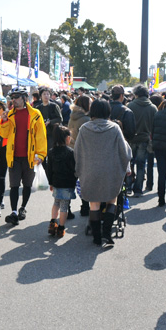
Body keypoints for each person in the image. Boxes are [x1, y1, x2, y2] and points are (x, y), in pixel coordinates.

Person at [74, 99, 132, 249]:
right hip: (110, 172)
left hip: (90, 172)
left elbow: (77, 152)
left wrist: (80, 169)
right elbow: (125, 152)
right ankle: (107, 235)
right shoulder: (114, 128)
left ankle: (96, 237)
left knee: (94, 204)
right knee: (111, 201)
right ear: (107, 111)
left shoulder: (84, 128)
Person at [0, 85, 47, 226]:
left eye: (17, 97)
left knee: (27, 185)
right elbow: (3, 134)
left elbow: (41, 136)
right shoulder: (10, 114)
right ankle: (13, 212)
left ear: (25, 98)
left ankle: (23, 208)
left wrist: (40, 154)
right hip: (13, 156)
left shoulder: (35, 114)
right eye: (12, 98)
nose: (14, 100)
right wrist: (4, 121)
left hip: (30, 157)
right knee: (14, 185)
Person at [45, 126, 76, 238]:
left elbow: (49, 169)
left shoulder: (51, 152)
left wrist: (51, 182)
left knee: (56, 203)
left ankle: (53, 223)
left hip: (56, 182)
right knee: (64, 206)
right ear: (67, 138)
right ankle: (61, 228)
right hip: (67, 184)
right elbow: (74, 169)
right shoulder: (70, 152)